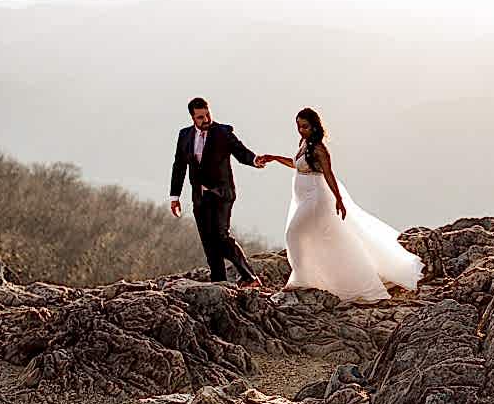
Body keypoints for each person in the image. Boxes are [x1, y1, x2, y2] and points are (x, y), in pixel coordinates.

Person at [255, 107, 423, 303]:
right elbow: (296, 164)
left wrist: (339, 200)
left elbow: (328, 174)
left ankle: (300, 279)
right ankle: (311, 277)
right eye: (299, 127)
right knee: (317, 238)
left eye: (305, 126)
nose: (301, 130)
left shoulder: (319, 148)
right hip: (304, 197)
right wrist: (274, 158)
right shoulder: (304, 143)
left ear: (315, 126)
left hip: (316, 198)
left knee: (293, 232)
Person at [169, 97, 265, 288]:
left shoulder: (222, 132)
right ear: (192, 118)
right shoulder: (184, 135)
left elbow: (240, 151)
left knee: (221, 236)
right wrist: (175, 197)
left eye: (207, 115)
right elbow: (179, 166)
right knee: (208, 242)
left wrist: (254, 160)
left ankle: (250, 277)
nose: (205, 120)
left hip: (222, 194)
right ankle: (220, 283)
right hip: (200, 196)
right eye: (200, 117)